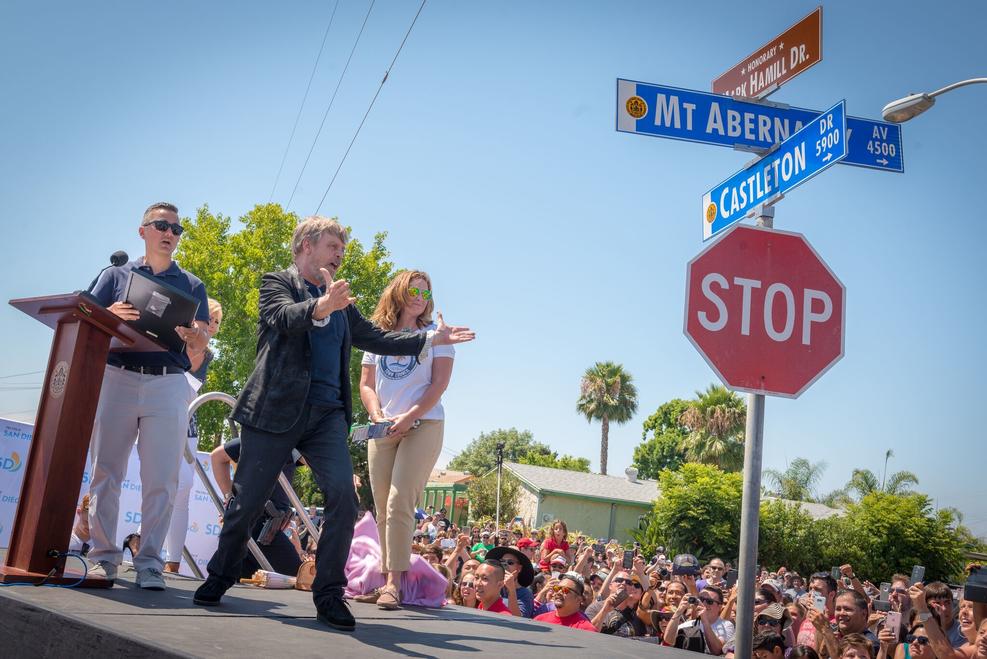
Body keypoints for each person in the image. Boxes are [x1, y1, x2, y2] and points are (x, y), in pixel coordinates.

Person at [192, 216, 473, 633]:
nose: (340, 256)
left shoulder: (344, 304)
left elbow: (376, 338)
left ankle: (328, 594)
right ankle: (221, 573)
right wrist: (323, 304)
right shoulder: (277, 283)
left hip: (326, 416)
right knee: (248, 500)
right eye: (332, 248)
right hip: (275, 412)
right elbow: (284, 318)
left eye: (341, 249)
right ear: (306, 246)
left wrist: (431, 339)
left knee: (344, 497)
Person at [87, 201, 210, 590]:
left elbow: (200, 347)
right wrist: (109, 315)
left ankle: (150, 563)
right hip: (117, 376)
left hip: (169, 382)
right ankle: (103, 557)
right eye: (162, 225)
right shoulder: (115, 275)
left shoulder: (192, 285)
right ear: (143, 231)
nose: (170, 233)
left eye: (176, 229)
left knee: (162, 479)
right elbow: (85, 320)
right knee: (107, 472)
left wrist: (197, 339)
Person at [357, 270, 459, 610]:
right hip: (383, 428)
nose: (419, 297)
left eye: (425, 294)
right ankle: (388, 577)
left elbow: (438, 385)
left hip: (423, 425)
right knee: (383, 506)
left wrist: (409, 416)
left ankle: (392, 584)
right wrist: (377, 416)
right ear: (398, 292)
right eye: (413, 291)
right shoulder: (377, 336)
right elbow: (366, 384)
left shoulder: (436, 335)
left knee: (400, 502)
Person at [162, 297, 223, 573]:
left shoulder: (207, 355)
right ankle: (140, 540)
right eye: (209, 319)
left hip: (188, 424)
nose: (212, 325)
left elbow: (189, 390)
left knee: (183, 489)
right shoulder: (173, 342)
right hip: (160, 419)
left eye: (217, 322)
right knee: (163, 486)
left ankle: (173, 562)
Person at [209, 439, 302, 578]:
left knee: (237, 580)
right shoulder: (260, 436)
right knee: (297, 576)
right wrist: (229, 498)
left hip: (262, 525)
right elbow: (217, 456)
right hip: (260, 525)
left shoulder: (295, 442)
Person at [487, 545, 535, 617]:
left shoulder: (525, 593)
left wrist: (511, 590)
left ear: (519, 568)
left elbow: (519, 620)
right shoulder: (494, 587)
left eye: (510, 562)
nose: (505, 565)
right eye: (502, 562)